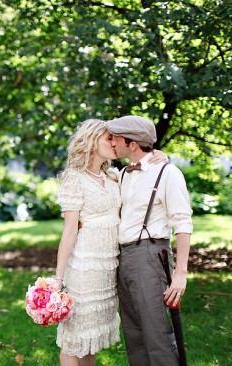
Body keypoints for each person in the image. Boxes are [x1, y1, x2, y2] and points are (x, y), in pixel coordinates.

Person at [53, 119, 167, 366]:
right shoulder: (75, 178)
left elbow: (143, 165)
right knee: (75, 338)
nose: (114, 144)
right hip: (85, 267)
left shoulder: (114, 176)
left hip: (109, 267)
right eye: (109, 139)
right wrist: (58, 278)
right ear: (92, 141)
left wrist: (158, 154)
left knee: (91, 338)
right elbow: (70, 231)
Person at [106, 115, 193, 366]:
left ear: (132, 144)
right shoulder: (122, 174)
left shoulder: (168, 172)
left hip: (150, 256)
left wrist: (180, 273)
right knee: (134, 336)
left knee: (157, 336)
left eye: (116, 138)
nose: (112, 143)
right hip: (125, 258)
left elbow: (183, 222)